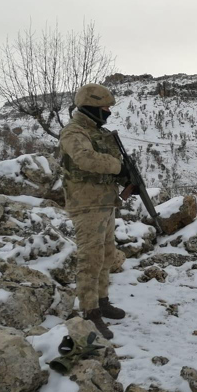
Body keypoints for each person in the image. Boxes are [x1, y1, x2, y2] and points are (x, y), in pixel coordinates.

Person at [59, 83, 130, 339]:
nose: (108, 112)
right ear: (91, 107)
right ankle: (89, 312)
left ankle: (102, 300)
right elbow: (85, 159)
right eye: (105, 108)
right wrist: (117, 167)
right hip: (87, 204)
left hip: (105, 202)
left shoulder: (98, 132)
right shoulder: (74, 132)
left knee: (106, 255)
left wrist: (125, 175)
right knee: (90, 259)